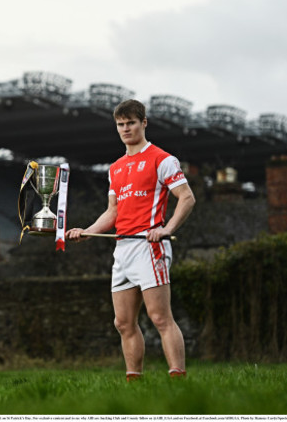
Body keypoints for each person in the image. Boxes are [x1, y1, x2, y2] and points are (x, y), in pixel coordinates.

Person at [66, 99, 195, 381]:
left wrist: (166, 228)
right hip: (122, 249)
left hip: (150, 246)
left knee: (160, 318)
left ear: (143, 123)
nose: (125, 129)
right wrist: (86, 231)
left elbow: (186, 197)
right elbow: (112, 212)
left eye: (131, 123)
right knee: (123, 323)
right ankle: (134, 380)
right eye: (120, 125)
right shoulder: (115, 168)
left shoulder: (162, 159)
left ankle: (178, 378)